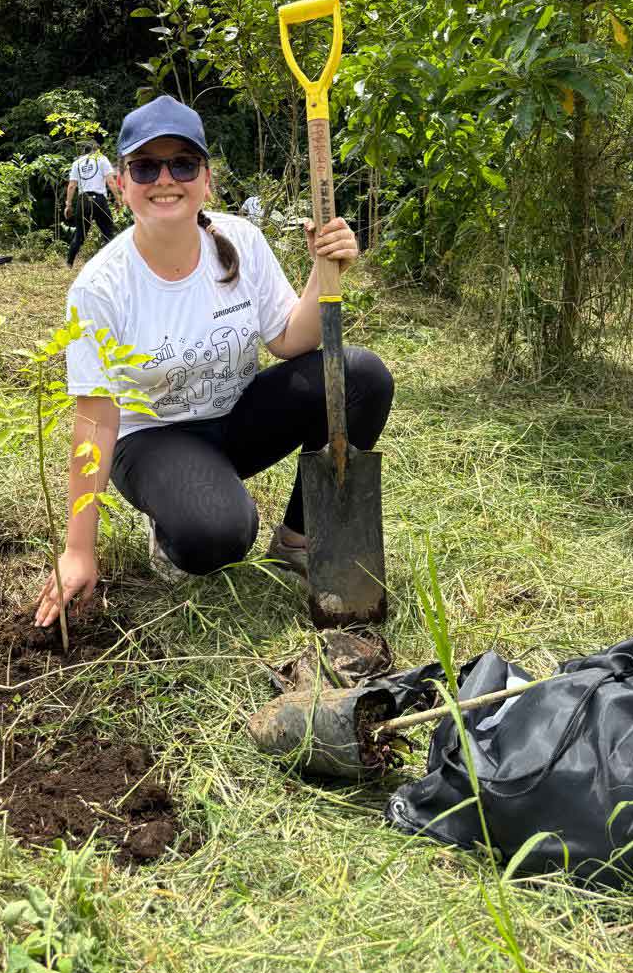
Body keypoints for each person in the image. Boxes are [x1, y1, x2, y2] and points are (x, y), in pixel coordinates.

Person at [34, 94, 394, 628]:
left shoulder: (240, 240)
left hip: (236, 417)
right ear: (120, 184)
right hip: (154, 439)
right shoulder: (101, 286)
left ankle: (296, 538)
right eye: (145, 166)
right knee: (219, 533)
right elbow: (96, 418)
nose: (165, 179)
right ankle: (174, 524)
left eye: (182, 163)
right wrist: (79, 549)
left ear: (206, 179)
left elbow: (290, 340)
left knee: (360, 376)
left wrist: (324, 271)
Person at [64, 138, 121, 266]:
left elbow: (72, 185)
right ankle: (110, 263)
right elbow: (110, 181)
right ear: (96, 149)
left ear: (84, 151)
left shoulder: (77, 163)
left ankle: (69, 263)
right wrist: (118, 200)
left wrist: (68, 205)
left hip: (83, 200)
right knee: (108, 233)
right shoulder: (101, 159)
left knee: (79, 235)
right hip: (99, 200)